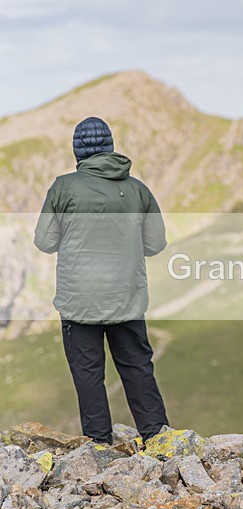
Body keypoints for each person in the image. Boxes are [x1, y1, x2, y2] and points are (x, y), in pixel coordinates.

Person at [34, 117, 169, 445]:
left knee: (88, 374)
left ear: (77, 151)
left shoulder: (63, 188)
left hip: (79, 303)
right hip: (127, 299)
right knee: (137, 368)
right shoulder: (137, 189)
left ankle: (99, 445)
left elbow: (45, 241)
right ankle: (159, 440)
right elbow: (155, 244)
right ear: (109, 147)